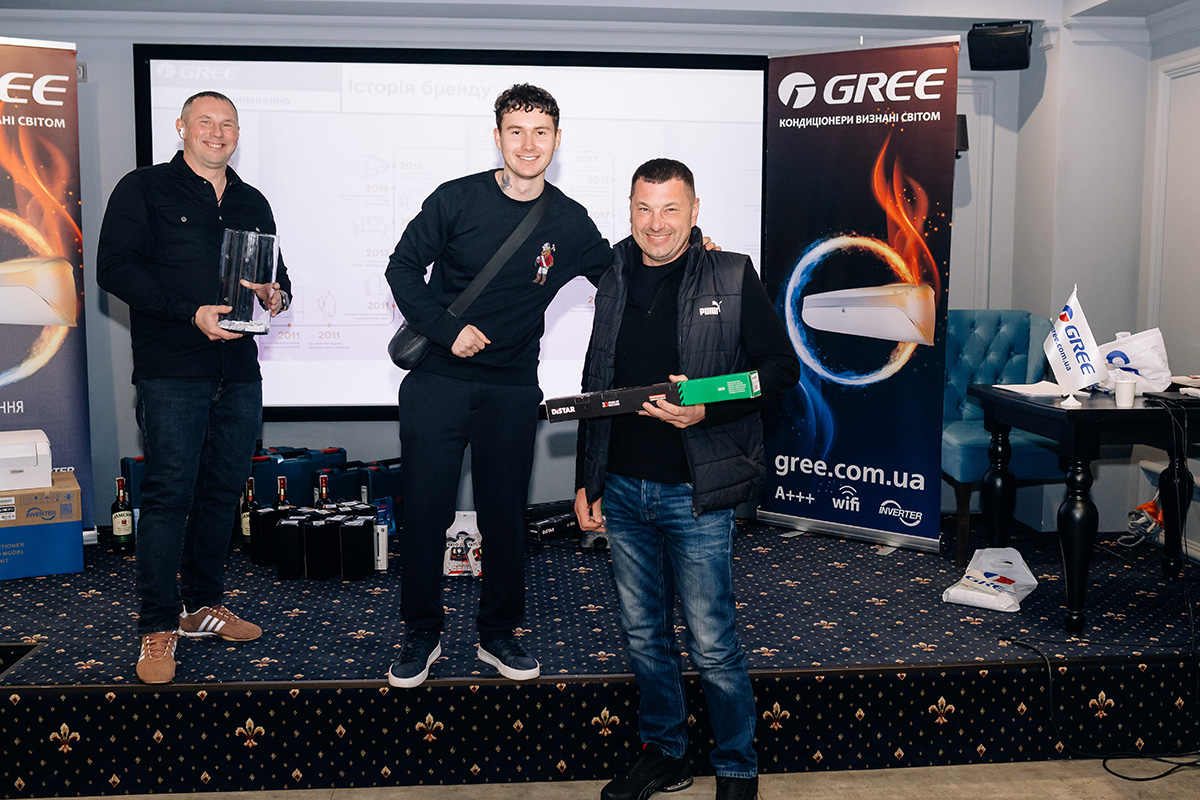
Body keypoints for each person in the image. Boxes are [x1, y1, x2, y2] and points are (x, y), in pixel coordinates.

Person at [575, 159, 801, 800]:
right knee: (644, 637)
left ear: (694, 210)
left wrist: (704, 404)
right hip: (622, 488)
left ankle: (737, 767)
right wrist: (588, 478)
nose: (656, 224)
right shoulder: (612, 275)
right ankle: (666, 753)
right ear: (629, 209)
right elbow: (597, 382)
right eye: (644, 208)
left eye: (670, 208)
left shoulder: (730, 274)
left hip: (695, 493)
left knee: (711, 642)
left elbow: (780, 370)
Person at [382, 84, 614, 687]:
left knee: (505, 518)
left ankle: (498, 634)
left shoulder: (568, 220)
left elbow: (621, 276)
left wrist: (693, 252)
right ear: (497, 137)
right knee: (426, 514)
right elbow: (400, 268)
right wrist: (447, 330)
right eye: (516, 131)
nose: (528, 144)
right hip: (437, 381)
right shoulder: (455, 199)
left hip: (511, 391)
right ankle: (421, 633)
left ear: (557, 141)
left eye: (541, 132)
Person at [97, 91, 291, 685]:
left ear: (238, 134)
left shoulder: (253, 201)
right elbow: (114, 268)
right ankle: (157, 625)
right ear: (181, 127)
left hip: (239, 371)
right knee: (169, 496)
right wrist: (190, 312)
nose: (217, 131)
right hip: (172, 368)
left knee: (221, 493)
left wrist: (276, 295)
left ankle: (202, 606)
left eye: (227, 123)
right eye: (205, 121)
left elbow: (278, 276)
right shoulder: (144, 188)